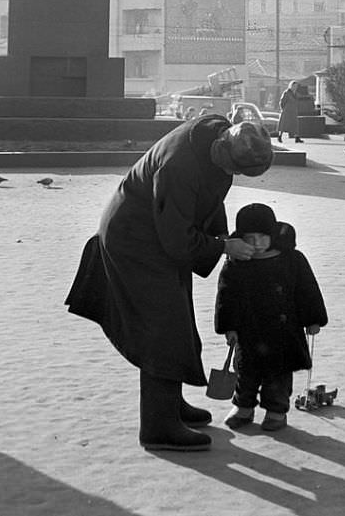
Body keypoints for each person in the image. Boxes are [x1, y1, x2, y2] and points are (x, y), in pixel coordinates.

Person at [64, 115, 274, 452]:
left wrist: (220, 235)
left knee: (177, 320)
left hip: (158, 235)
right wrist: (222, 247)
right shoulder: (180, 165)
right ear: (223, 143)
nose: (230, 174)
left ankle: (170, 405)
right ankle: (158, 427)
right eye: (232, 167)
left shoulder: (214, 142)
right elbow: (176, 239)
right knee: (162, 329)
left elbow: (208, 198)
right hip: (135, 240)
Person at [214, 203, 328, 433]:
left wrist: (313, 318)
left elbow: (307, 290)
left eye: (262, 236)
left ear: (273, 235)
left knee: (278, 376)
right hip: (250, 331)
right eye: (250, 237)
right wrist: (229, 326)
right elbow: (227, 297)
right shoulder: (236, 264)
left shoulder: (291, 260)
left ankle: (276, 411)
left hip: (283, 332)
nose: (256, 243)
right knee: (246, 373)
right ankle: (243, 407)